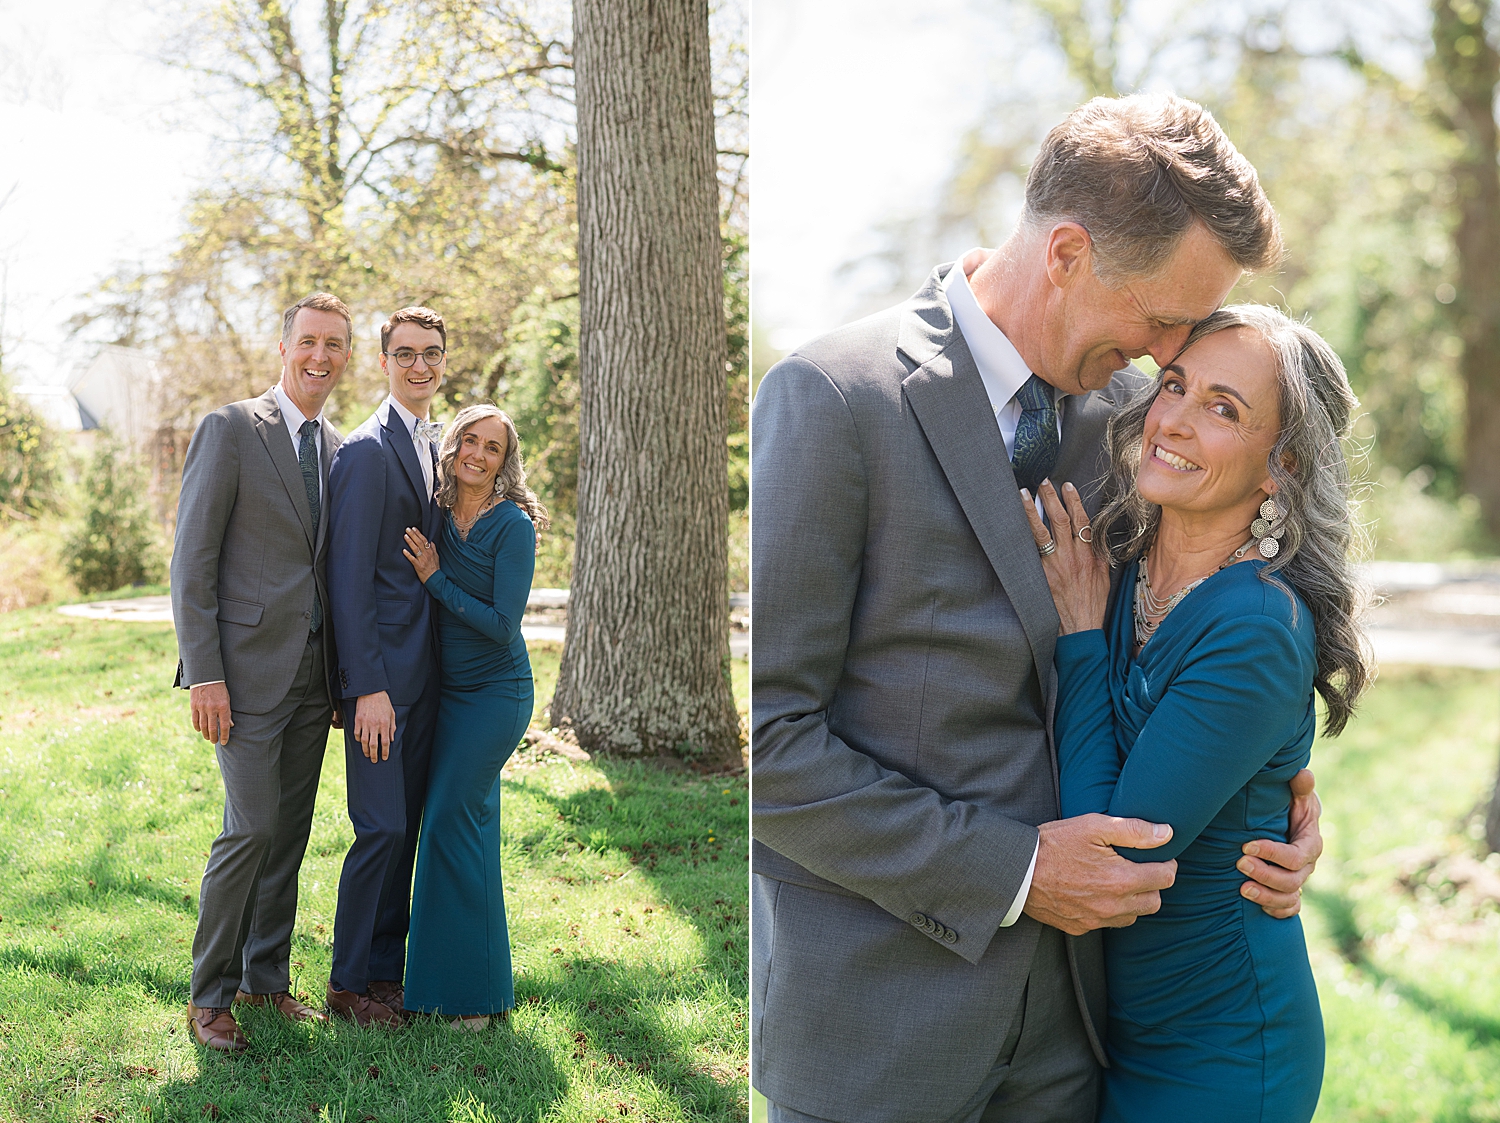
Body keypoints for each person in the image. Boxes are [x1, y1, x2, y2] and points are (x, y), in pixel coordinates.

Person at [751, 93, 1325, 1122]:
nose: (1164, 361)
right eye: (1159, 319)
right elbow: (771, 749)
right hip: (879, 1037)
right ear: (1066, 253)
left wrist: (1277, 797)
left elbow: (1195, 640)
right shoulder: (832, 398)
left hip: (1076, 1043)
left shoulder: (1126, 435)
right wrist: (1016, 870)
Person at [1025, 306, 1367, 1122]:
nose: (1173, 418)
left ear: (1280, 464)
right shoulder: (1130, 564)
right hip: (1117, 1030)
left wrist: (1078, 636)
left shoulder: (1253, 625)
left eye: (1224, 408)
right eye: (1174, 385)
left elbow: (1112, 849)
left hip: (1220, 1051)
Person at [172, 292, 350, 1052]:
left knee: (290, 832)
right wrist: (204, 673)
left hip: (314, 675)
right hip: (242, 675)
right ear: (284, 348)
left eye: (334, 344)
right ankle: (209, 996)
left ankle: (265, 980)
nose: (319, 356)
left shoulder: (340, 447)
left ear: (346, 357)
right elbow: (192, 562)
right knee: (248, 829)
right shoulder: (233, 428)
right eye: (308, 341)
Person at [400, 404, 547, 1031]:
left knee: (451, 826)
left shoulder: (512, 526)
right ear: (453, 444)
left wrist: (434, 577)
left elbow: (500, 625)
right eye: (469, 440)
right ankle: (454, 989)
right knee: (463, 828)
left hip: (497, 693)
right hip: (449, 694)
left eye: (493, 447)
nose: (478, 455)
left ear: (504, 461)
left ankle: (471, 998)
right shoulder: (436, 512)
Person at [324, 306, 449, 1026]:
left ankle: (383, 973)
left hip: (427, 679)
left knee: (406, 828)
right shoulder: (369, 451)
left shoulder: (434, 443)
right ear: (384, 362)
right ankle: (346, 983)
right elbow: (349, 579)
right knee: (380, 829)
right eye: (405, 354)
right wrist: (365, 686)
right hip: (382, 685)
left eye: (431, 353)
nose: (419, 366)